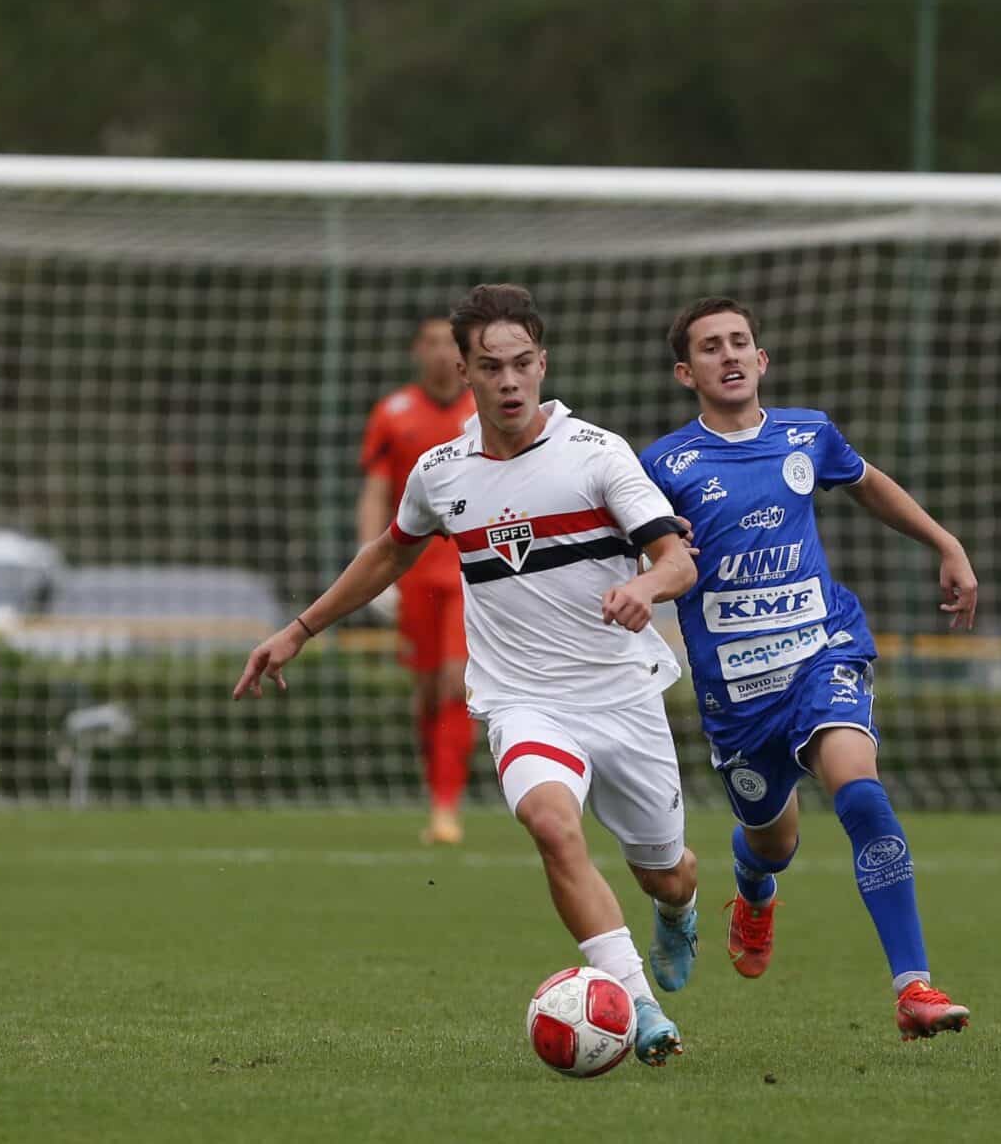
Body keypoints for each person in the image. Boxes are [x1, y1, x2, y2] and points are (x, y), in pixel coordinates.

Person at [236, 284, 701, 1066]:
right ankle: (638, 1004)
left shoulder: (597, 454)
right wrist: (299, 628)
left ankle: (677, 910)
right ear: (466, 371)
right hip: (525, 701)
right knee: (552, 825)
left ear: (543, 362)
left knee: (668, 869)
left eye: (523, 363)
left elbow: (675, 556)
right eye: (492, 366)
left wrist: (645, 588)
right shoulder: (441, 470)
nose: (511, 381)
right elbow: (391, 549)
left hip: (621, 695)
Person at [639, 295, 978, 1040]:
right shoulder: (663, 464)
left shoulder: (807, 433)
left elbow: (868, 484)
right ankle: (754, 888)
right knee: (772, 840)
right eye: (709, 346)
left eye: (739, 342)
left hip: (823, 649)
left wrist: (945, 542)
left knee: (862, 796)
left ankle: (914, 985)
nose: (727, 355)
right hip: (737, 692)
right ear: (685, 371)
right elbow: (641, 551)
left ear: (761, 360)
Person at [357, 317, 477, 845]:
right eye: (430, 342)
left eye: (450, 342)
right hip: (414, 572)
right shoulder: (393, 412)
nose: (440, 352)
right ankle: (436, 790)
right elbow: (377, 491)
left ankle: (445, 808)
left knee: (456, 680)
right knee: (427, 692)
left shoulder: (485, 409)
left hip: (473, 571)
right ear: (416, 351)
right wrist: (371, 569)